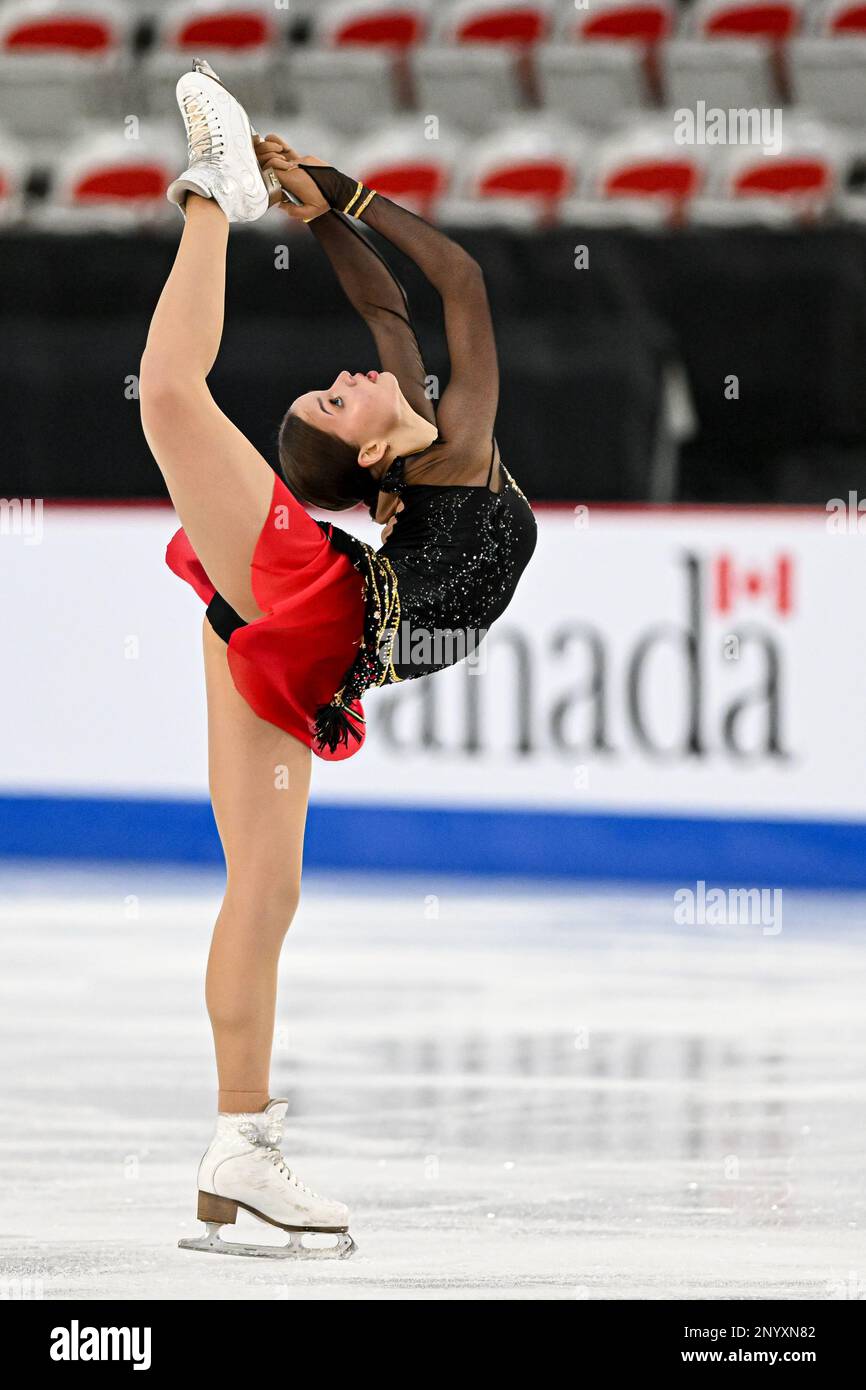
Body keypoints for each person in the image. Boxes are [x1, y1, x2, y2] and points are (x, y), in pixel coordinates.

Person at [139, 61, 536, 1259]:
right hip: (325, 608)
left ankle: (237, 1145)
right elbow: (455, 280)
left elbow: (394, 314)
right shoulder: (448, 448)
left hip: (314, 654)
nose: (350, 377)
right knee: (169, 395)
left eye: (330, 388)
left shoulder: (423, 437)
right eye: (333, 400)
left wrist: (321, 217)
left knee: (264, 891)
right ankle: (207, 191)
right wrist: (342, 197)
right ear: (364, 462)